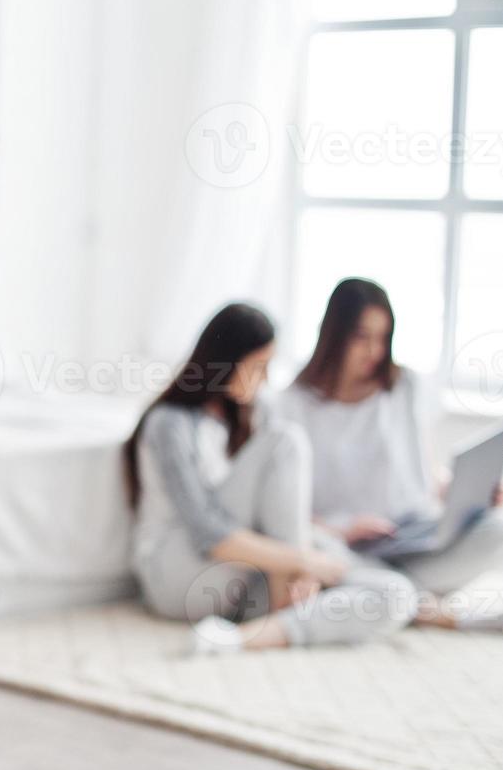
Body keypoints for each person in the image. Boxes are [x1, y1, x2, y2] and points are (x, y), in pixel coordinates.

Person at [124, 302, 417, 652]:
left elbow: (277, 512)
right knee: (287, 442)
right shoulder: (170, 423)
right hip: (179, 573)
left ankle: (241, 638)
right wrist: (302, 561)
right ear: (226, 361)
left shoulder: (251, 413)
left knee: (396, 593)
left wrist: (322, 544)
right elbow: (210, 533)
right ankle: (289, 596)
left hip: (244, 574)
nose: (265, 379)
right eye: (258, 367)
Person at [281, 277, 503, 629]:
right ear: (334, 335)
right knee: (322, 555)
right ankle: (417, 604)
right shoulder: (294, 403)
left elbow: (428, 474)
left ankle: (392, 598)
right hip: (346, 544)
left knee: (497, 531)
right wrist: (342, 530)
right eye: (362, 338)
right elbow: (284, 507)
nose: (375, 352)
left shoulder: (404, 387)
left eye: (383, 338)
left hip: (413, 532)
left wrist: (470, 494)